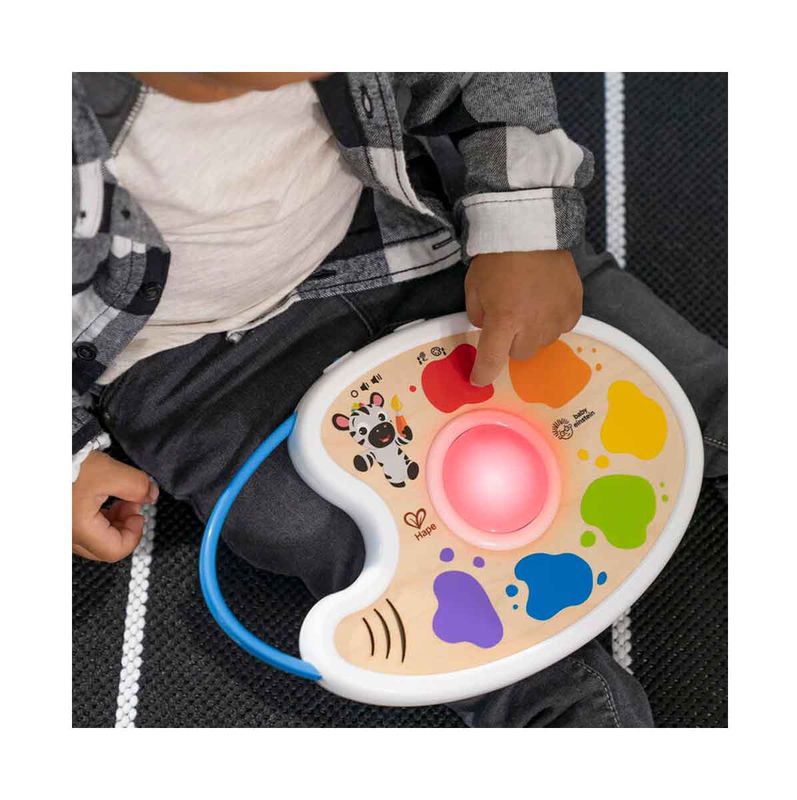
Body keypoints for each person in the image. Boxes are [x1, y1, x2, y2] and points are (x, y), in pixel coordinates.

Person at [72, 72, 727, 727]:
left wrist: (523, 231)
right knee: (308, 525)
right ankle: (560, 707)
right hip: (200, 366)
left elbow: (481, 73)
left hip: (412, 234)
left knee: (623, 345)